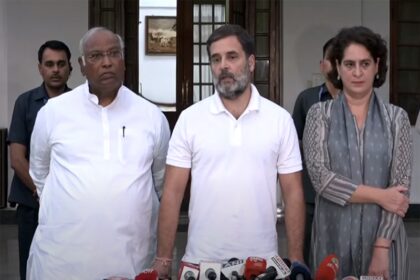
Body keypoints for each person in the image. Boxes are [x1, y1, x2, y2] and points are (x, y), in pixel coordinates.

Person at [153, 24, 305, 277]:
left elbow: (293, 193)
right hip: (200, 262)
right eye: (216, 59)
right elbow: (172, 192)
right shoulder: (191, 119)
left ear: (251, 62)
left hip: (263, 262)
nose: (223, 65)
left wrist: (297, 258)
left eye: (232, 57)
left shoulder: (279, 119)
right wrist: (163, 259)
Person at [27, 27, 170, 279]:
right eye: (95, 56)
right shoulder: (53, 112)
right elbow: (40, 171)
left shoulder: (151, 116)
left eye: (113, 53)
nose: (106, 62)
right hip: (60, 260)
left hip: (130, 259)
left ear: (123, 61)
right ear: (81, 66)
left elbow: (160, 179)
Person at [303, 26, 412, 279]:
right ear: (337, 67)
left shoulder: (397, 119)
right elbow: (321, 179)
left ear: (377, 66)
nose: (358, 72)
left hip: (386, 242)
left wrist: (382, 247)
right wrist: (380, 195)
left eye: (365, 63)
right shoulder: (320, 115)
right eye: (349, 64)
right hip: (332, 238)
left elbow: (399, 191)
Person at [8, 40, 72, 280]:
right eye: (49, 64)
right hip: (32, 202)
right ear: (40, 68)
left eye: (61, 64)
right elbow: (17, 158)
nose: (55, 69)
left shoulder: (80, 104)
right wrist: (42, 192)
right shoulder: (25, 103)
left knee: (65, 266)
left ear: (70, 68)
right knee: (31, 266)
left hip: (68, 203)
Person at [291, 37, 340, 265]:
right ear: (323, 65)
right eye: (333, 60)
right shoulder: (307, 99)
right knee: (310, 257)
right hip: (311, 195)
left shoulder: (360, 101)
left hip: (349, 195)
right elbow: (294, 145)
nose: (338, 66)